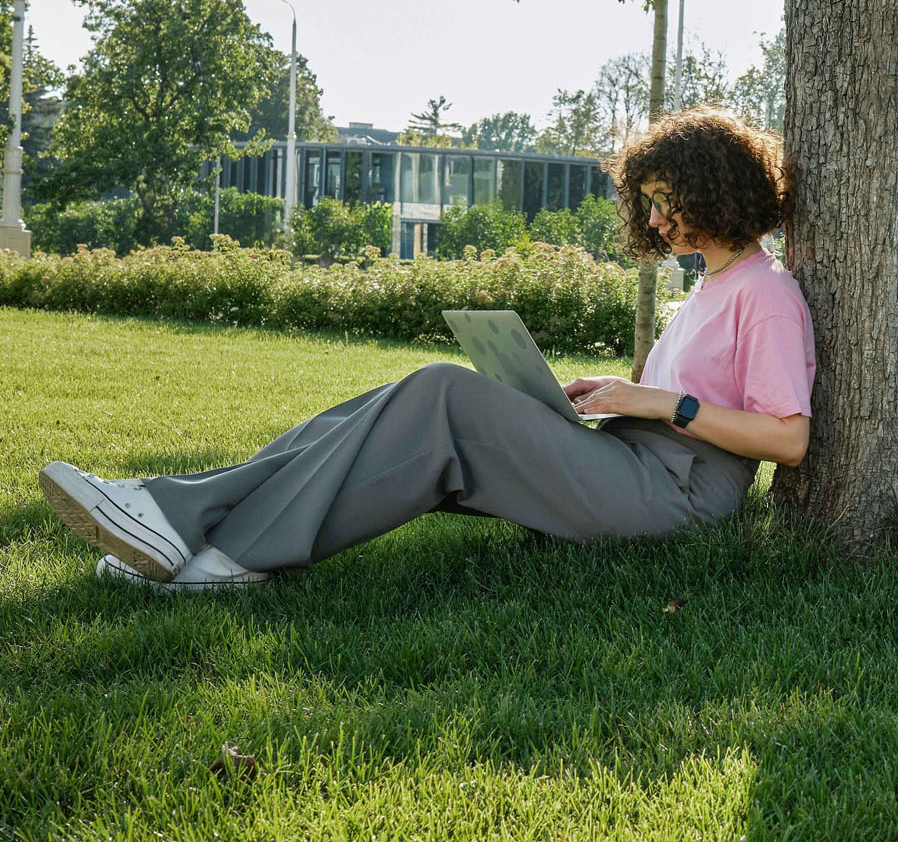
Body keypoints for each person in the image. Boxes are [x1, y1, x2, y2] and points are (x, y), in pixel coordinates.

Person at [38, 106, 815, 594]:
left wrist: (659, 401)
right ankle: (191, 527)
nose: (653, 224)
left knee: (443, 391)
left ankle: (216, 543)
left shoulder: (767, 293)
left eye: (664, 204)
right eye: (646, 207)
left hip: (678, 500)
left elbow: (789, 439)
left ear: (714, 191)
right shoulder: (706, 292)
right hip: (635, 466)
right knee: (376, 414)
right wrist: (621, 393)